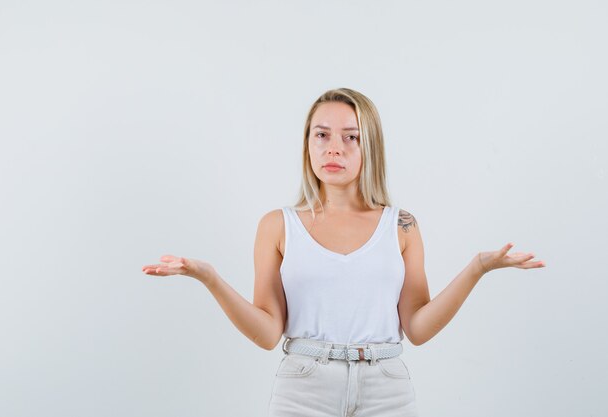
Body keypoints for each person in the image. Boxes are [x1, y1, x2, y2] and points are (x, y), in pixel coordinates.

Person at [142, 88, 546, 417]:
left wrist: (478, 268)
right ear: (307, 144)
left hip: (387, 389)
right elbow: (268, 333)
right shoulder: (277, 226)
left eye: (350, 137)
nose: (334, 148)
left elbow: (418, 328)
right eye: (322, 135)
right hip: (302, 389)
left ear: (369, 145)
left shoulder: (401, 225)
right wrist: (209, 277)